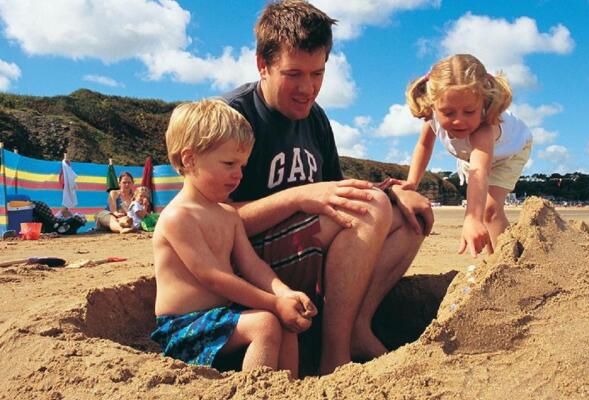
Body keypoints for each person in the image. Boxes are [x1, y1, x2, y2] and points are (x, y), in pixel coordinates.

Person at [221, 0, 433, 375]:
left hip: (303, 252)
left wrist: (395, 191)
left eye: (318, 73)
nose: (308, 88)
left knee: (411, 214)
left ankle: (356, 327)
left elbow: (334, 192)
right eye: (294, 74)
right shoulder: (234, 117)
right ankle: (335, 356)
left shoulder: (315, 119)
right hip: (247, 267)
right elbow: (208, 222)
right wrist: (298, 195)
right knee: (368, 208)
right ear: (262, 65)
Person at [151, 99, 317, 378]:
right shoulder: (178, 217)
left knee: (284, 323)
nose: (238, 175)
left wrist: (283, 293)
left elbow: (253, 266)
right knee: (265, 322)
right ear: (189, 159)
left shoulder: (229, 215)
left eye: (242, 165)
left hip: (222, 317)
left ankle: (291, 389)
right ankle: (258, 392)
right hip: (183, 327)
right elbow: (213, 276)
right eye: (229, 163)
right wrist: (273, 303)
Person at [404, 54, 532, 256]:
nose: (459, 121)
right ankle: (495, 263)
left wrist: (472, 217)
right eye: (448, 113)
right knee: (484, 208)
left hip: (509, 153)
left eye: (469, 111)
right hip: (471, 156)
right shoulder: (432, 117)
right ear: (433, 104)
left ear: (484, 104)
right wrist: (412, 182)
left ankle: (509, 262)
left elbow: (479, 171)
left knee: (490, 210)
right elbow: (424, 146)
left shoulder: (484, 128)